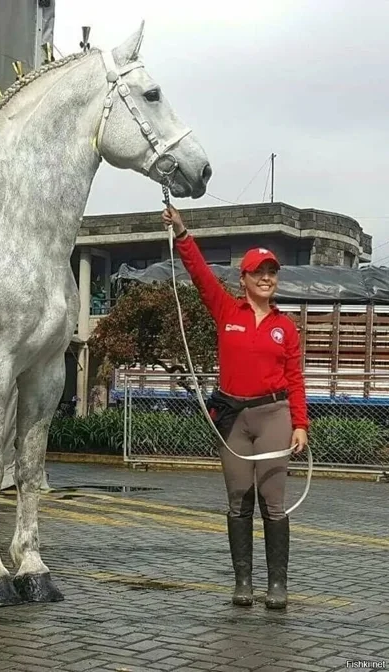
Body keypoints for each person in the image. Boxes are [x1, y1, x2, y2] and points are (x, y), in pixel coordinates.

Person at [162, 205, 309, 610]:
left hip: (274, 416)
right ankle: (243, 582)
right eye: (259, 271)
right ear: (243, 278)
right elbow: (199, 274)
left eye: (272, 272)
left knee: (273, 503)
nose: (266, 278)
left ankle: (276, 586)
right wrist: (181, 231)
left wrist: (300, 424)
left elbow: (295, 379)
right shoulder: (226, 310)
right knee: (238, 500)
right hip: (234, 419)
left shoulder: (286, 326)